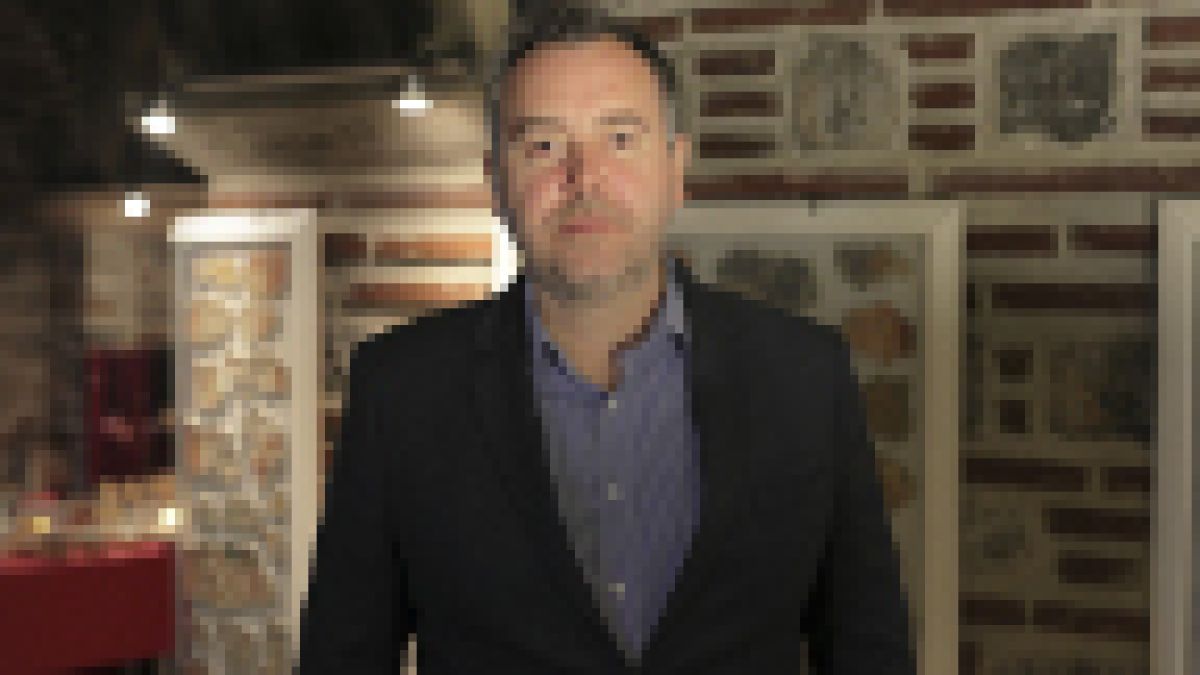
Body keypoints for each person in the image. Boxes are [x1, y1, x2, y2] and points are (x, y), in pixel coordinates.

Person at [297, 6, 914, 674]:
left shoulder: (804, 377)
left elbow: (870, 651)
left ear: (676, 170)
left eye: (620, 139)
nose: (584, 178)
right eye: (543, 146)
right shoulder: (401, 389)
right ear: (497, 183)